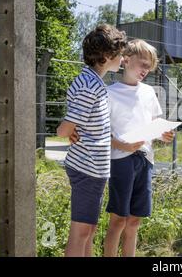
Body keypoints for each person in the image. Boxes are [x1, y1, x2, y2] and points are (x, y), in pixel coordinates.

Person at [56, 24, 127, 256]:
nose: (123, 59)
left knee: (89, 229)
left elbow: (81, 120)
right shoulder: (90, 85)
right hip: (86, 169)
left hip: (94, 170)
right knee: (81, 231)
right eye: (120, 55)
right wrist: (66, 131)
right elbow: (64, 129)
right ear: (107, 57)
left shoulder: (91, 81)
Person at [103, 39, 175, 257]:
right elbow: (101, 133)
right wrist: (122, 145)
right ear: (125, 60)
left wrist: (164, 134)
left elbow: (154, 124)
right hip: (121, 160)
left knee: (134, 221)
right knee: (118, 220)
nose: (145, 70)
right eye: (142, 63)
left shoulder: (149, 92)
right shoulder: (110, 93)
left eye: (149, 67)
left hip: (145, 160)